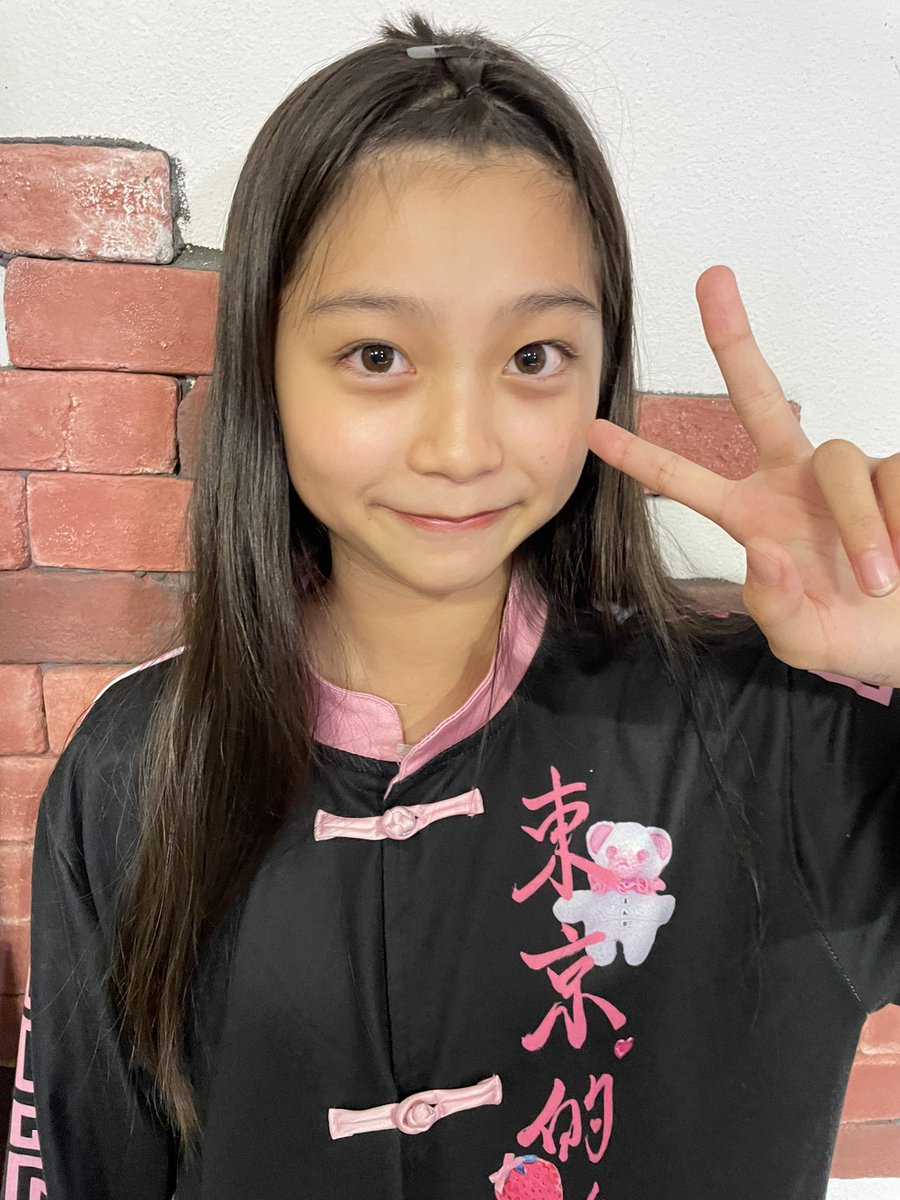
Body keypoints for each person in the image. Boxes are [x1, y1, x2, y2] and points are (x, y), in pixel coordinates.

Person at [4, 11, 900, 1200]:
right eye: (377, 355)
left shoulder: (784, 736)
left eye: (534, 357)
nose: (462, 446)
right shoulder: (136, 766)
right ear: (265, 364)